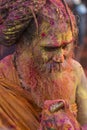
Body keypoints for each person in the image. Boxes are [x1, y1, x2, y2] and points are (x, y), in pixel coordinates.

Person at [0, 0, 87, 129]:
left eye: (65, 46)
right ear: (24, 45)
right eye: (50, 48)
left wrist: (71, 125)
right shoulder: (3, 80)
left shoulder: (75, 71)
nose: (60, 58)